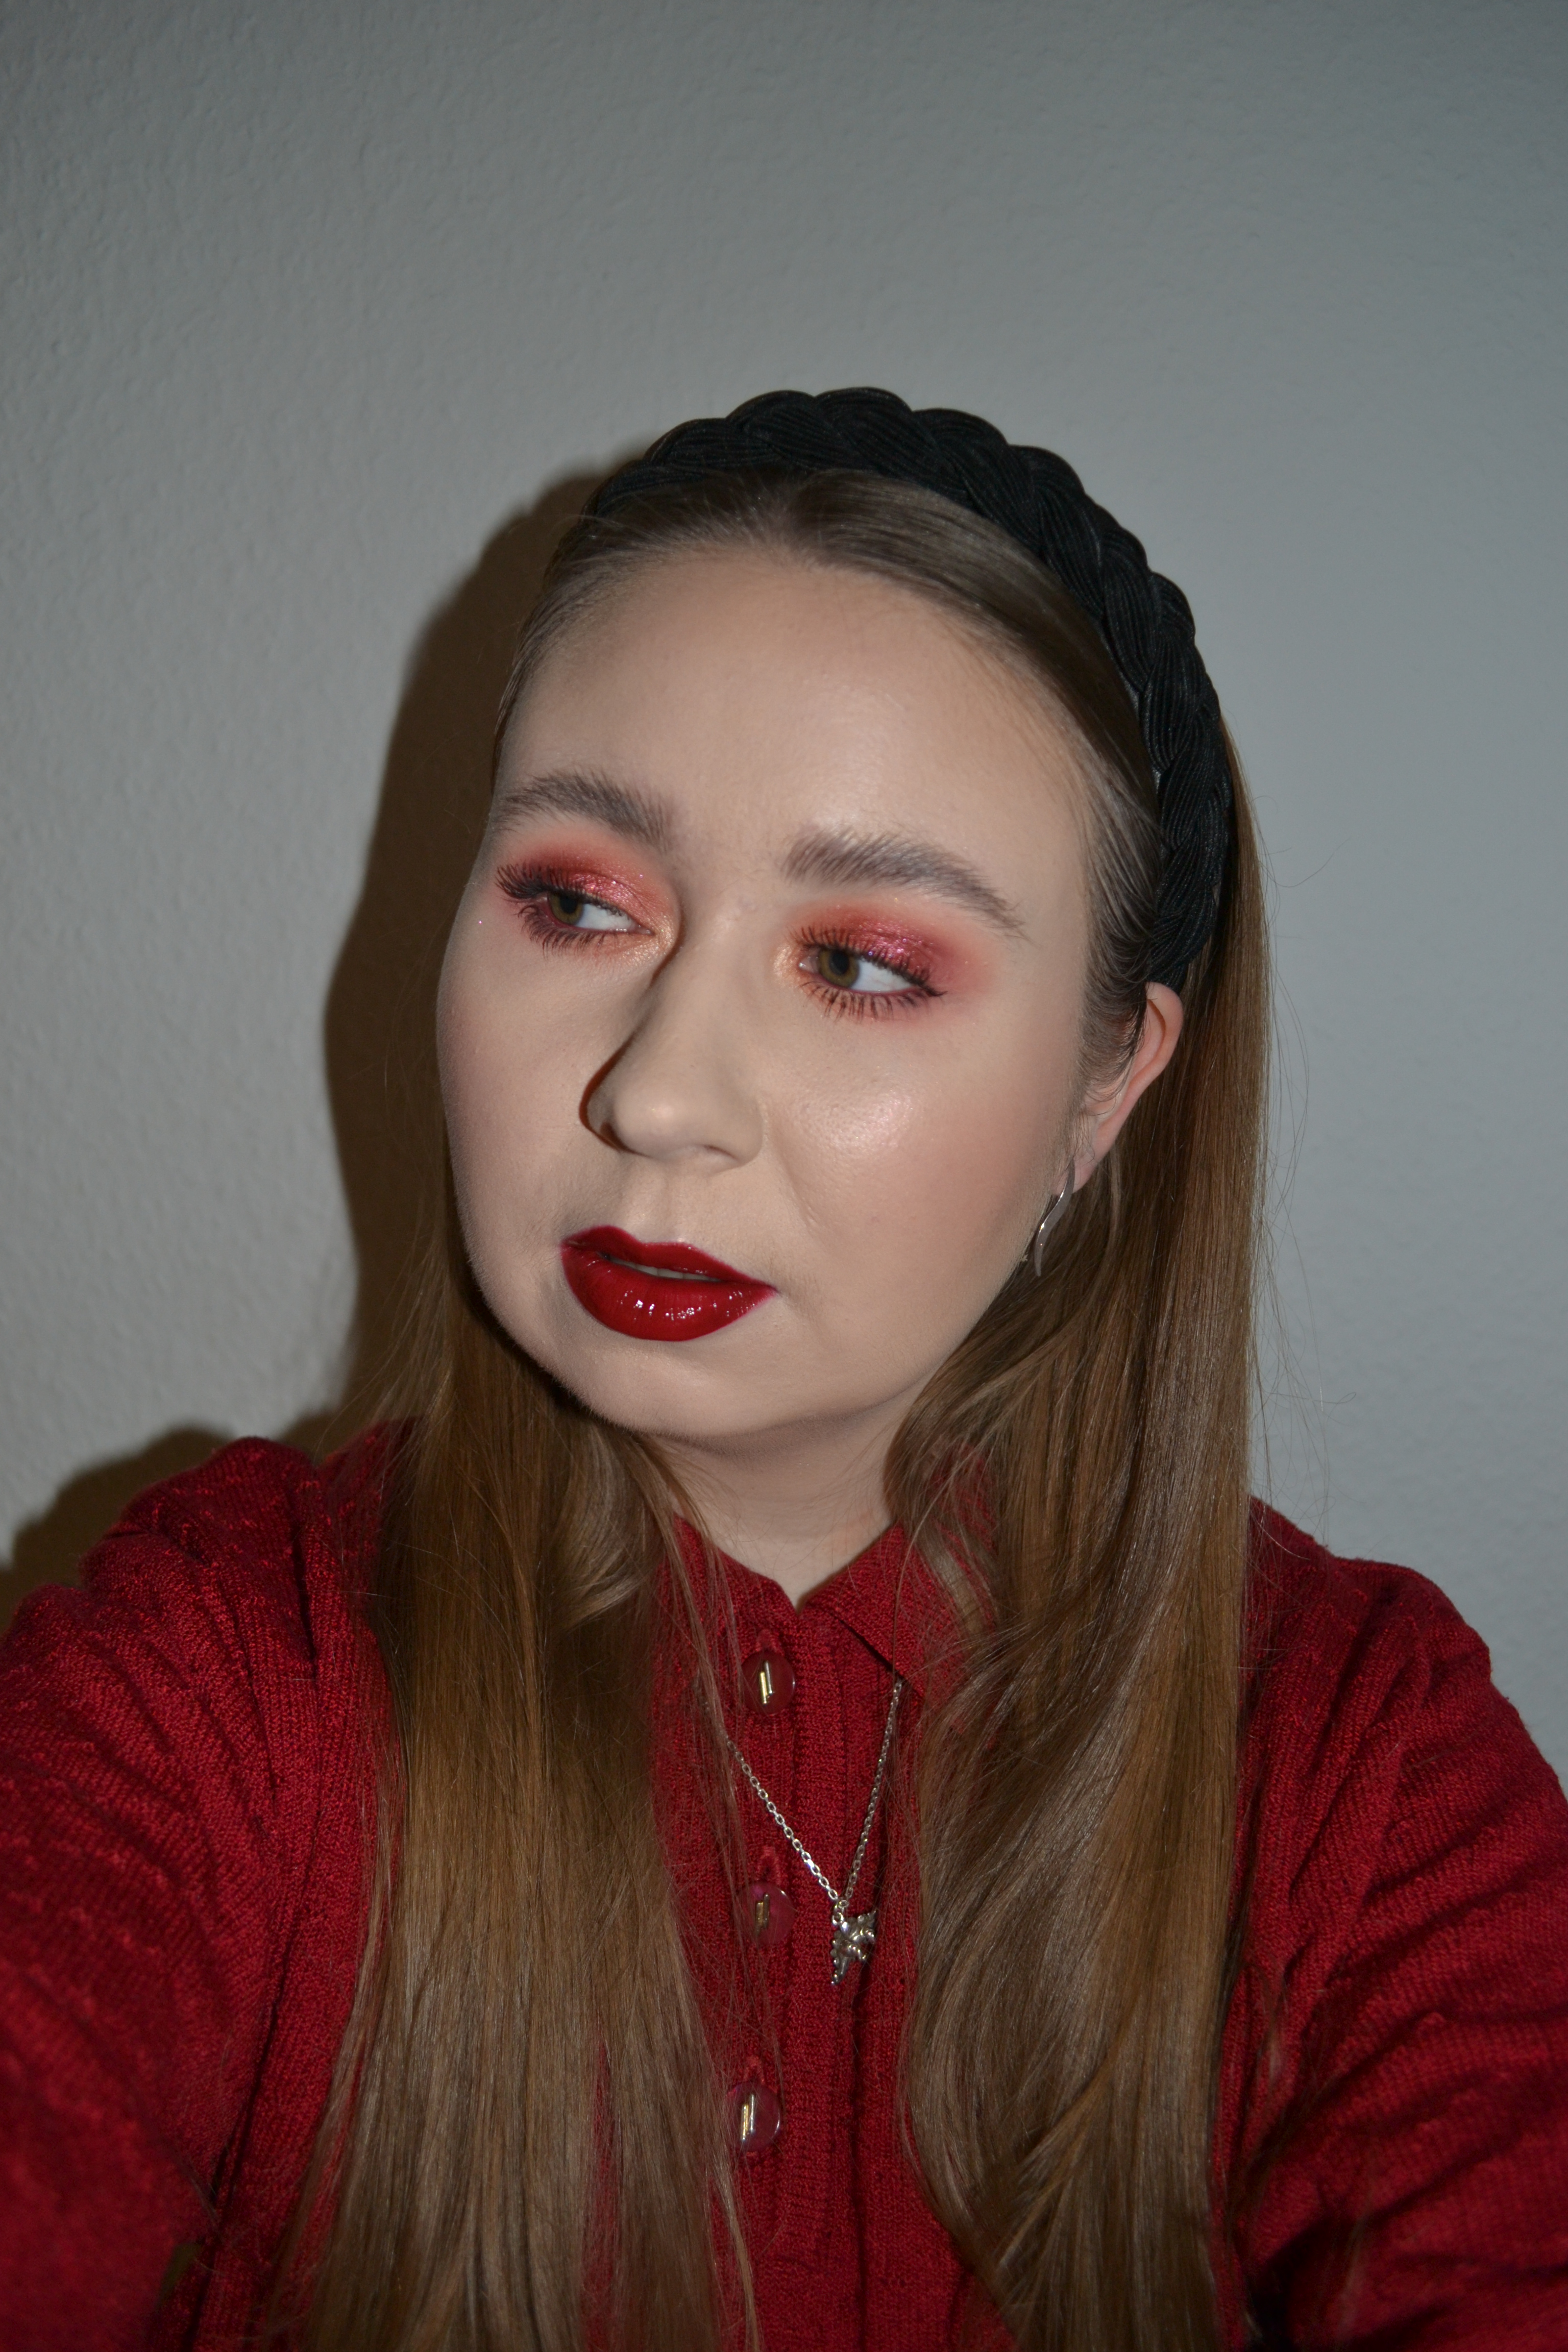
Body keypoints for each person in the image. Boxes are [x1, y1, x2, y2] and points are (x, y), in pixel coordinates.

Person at [2, 389, 1565, 2352]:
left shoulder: (1355, 1775)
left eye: (864, 965)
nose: (658, 1093)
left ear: (1109, 1084)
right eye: (579, 902)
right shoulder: (223, 1677)